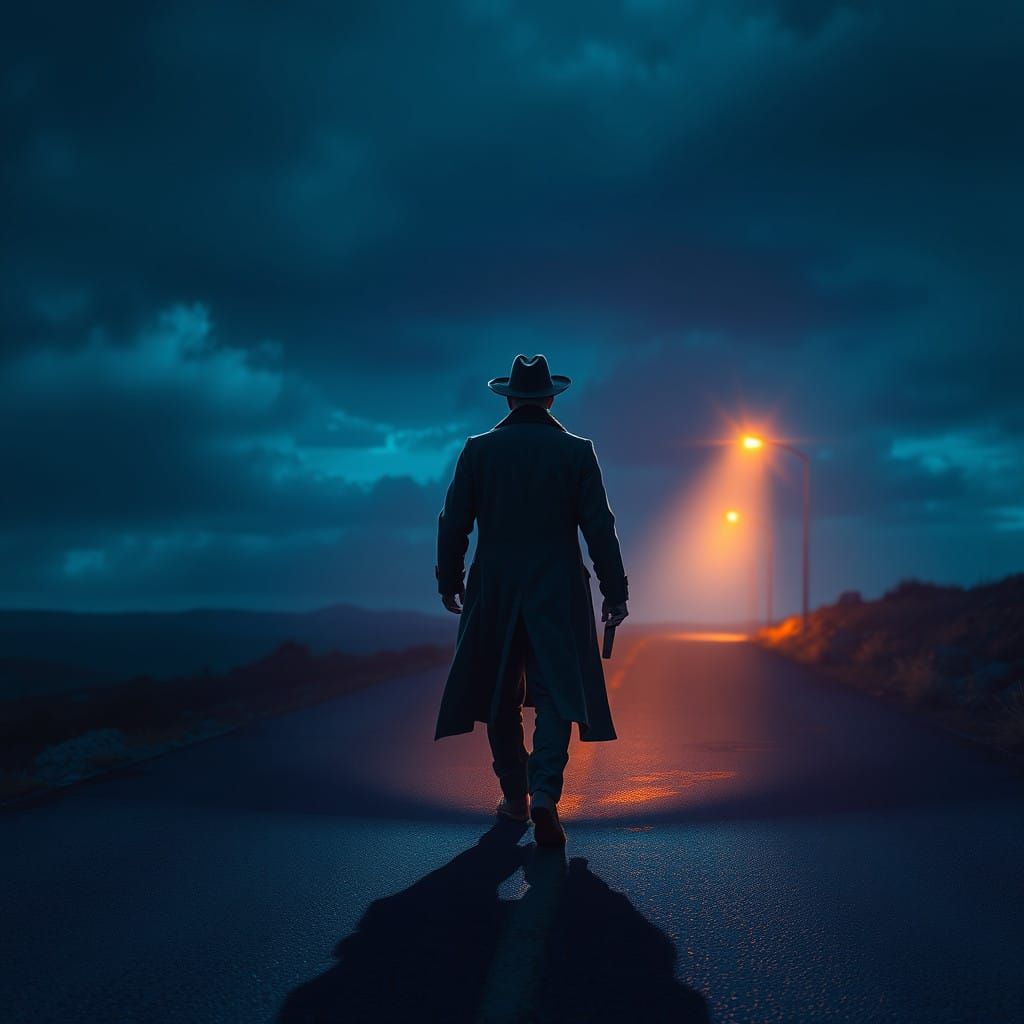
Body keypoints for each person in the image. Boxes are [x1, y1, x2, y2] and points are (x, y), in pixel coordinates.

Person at [433, 353, 629, 846]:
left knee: (499, 693)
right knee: (556, 693)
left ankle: (516, 799)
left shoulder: (478, 450)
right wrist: (615, 591)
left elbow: (453, 521)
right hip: (558, 586)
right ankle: (545, 794)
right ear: (550, 397)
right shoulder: (577, 452)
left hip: (494, 586)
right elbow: (599, 529)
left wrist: (449, 579)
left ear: (509, 397)